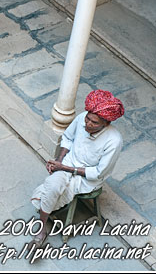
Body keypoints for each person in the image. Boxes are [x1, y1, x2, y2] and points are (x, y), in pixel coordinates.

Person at [30, 89, 125, 246]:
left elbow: (98, 173)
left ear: (106, 124)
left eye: (94, 123)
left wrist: (65, 168)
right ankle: (42, 229)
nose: (88, 123)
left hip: (86, 179)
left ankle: (43, 221)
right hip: (68, 163)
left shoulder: (114, 141)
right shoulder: (82, 118)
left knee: (53, 192)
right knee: (53, 186)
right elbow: (67, 138)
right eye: (88, 119)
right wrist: (58, 161)